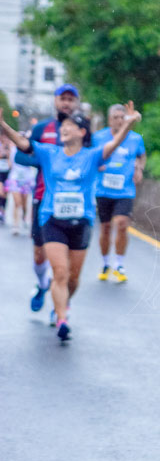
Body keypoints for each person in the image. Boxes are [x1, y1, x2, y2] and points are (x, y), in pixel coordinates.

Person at [0, 103, 142, 341]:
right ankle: (62, 319)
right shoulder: (49, 152)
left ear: (82, 132)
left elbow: (115, 143)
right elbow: (23, 145)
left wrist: (130, 121)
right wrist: (2, 124)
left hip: (81, 222)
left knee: (73, 280)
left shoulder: (92, 155)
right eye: (62, 127)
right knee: (61, 272)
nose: (63, 130)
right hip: (52, 220)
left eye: (69, 126)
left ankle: (62, 306)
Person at [16, 84, 78, 313]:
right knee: (40, 253)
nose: (66, 103)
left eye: (71, 99)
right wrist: (46, 162)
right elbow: (22, 156)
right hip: (44, 198)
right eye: (63, 98)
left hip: (74, 203)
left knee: (66, 260)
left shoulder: (82, 130)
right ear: (55, 101)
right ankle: (43, 285)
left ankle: (60, 304)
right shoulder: (43, 128)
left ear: (76, 104)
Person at [94, 102, 147, 282]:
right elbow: (89, 157)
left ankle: (119, 263)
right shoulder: (98, 137)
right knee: (106, 228)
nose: (118, 121)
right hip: (103, 190)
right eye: (115, 118)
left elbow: (142, 155)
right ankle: (105, 262)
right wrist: (95, 166)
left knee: (122, 224)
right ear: (109, 120)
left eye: (121, 117)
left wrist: (139, 167)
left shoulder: (135, 139)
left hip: (125, 190)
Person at [5, 135, 37, 235]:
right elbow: (9, 164)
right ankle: (16, 225)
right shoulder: (13, 150)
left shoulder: (30, 151)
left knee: (24, 204)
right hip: (15, 179)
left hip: (27, 180)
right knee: (17, 203)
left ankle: (24, 217)